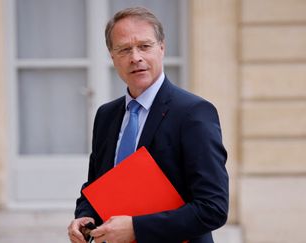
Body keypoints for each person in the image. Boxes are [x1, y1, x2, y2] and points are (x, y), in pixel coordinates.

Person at [67, 6, 228, 243]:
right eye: (124, 49)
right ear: (112, 57)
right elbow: (97, 185)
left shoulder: (194, 113)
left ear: (161, 48)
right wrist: (85, 216)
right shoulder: (106, 116)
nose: (135, 57)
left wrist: (135, 228)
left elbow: (213, 208)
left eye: (144, 46)